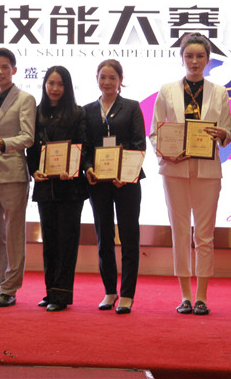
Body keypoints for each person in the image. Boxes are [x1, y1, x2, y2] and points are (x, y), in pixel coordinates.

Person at [150, 34, 231, 316]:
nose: (194, 61)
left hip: (208, 170)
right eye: (189, 56)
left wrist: (222, 134)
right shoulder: (167, 90)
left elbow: (227, 132)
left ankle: (202, 296)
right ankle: (185, 295)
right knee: (181, 231)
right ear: (182, 58)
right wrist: (166, 152)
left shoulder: (219, 92)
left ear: (208, 59)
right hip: (174, 169)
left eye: (200, 56)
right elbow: (155, 131)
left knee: (205, 235)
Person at [83, 60, 146, 314]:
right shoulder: (87, 110)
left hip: (127, 182)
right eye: (102, 77)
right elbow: (85, 146)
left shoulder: (131, 107)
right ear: (96, 79)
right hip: (98, 182)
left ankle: (127, 294)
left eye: (112, 77)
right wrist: (88, 167)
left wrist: (125, 173)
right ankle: (110, 291)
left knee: (129, 237)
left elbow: (139, 144)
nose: (107, 82)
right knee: (104, 237)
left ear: (120, 80)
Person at [0, 48, 36, 308]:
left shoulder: (25, 99)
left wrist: (2, 144)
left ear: (14, 69)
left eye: (4, 67)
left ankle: (10, 288)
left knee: (13, 233)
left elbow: (28, 137)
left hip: (13, 172)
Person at [25, 65, 88, 312]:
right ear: (44, 85)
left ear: (67, 87)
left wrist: (72, 168)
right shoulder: (36, 113)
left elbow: (83, 146)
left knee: (67, 242)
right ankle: (50, 290)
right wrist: (33, 171)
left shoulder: (78, 113)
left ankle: (62, 295)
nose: (54, 88)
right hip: (44, 187)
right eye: (51, 83)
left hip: (70, 188)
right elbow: (31, 149)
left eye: (60, 84)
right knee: (49, 240)